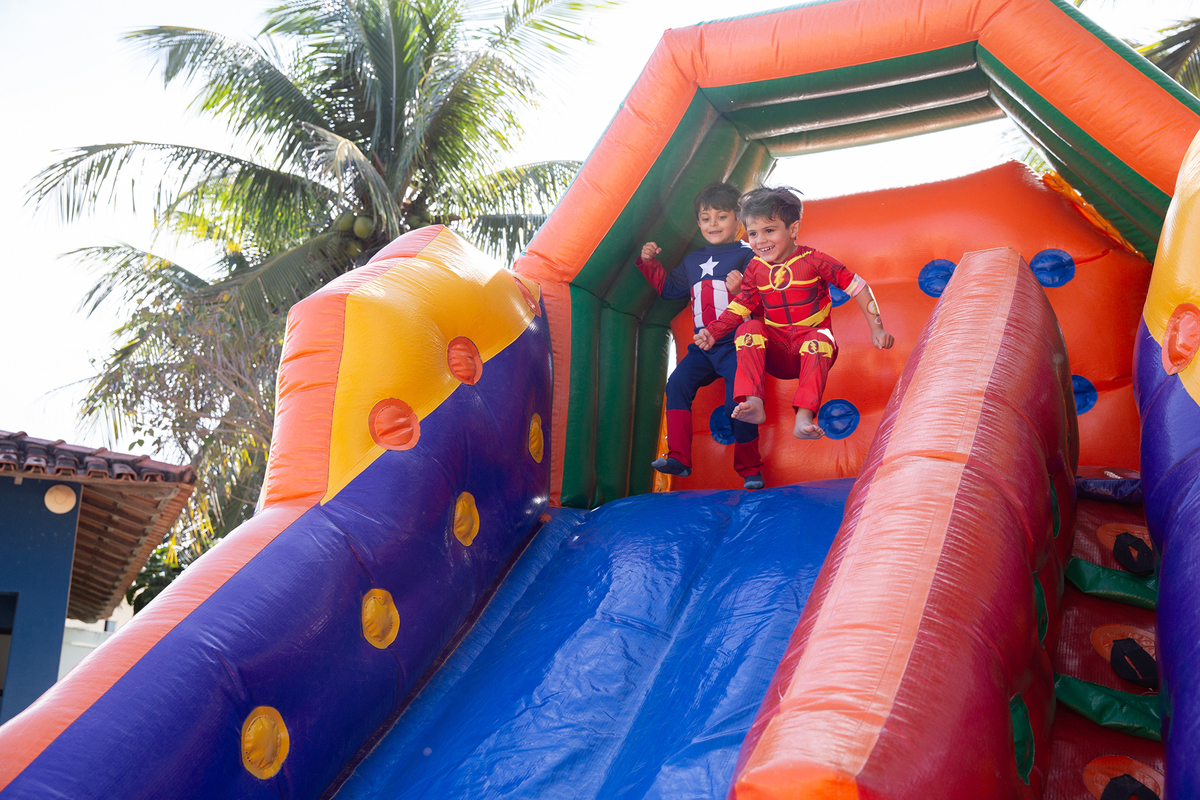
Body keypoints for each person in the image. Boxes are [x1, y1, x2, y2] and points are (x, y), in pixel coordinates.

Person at [695, 186, 894, 440]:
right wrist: (713, 332)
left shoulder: (814, 260)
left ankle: (804, 416)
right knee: (748, 328)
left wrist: (877, 329)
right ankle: (754, 402)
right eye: (753, 233)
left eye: (769, 230)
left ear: (793, 229)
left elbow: (859, 286)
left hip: (810, 349)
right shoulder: (755, 268)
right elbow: (742, 304)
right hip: (777, 352)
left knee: (819, 340)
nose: (761, 240)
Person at [636, 182, 765, 490]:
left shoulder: (747, 256)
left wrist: (741, 290)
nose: (713, 224)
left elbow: (764, 300)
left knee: (741, 401)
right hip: (703, 347)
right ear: (698, 223)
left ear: (738, 220)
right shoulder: (694, 260)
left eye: (721, 217)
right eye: (706, 219)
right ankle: (679, 458)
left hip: (736, 345)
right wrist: (649, 262)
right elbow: (670, 290)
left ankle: (750, 468)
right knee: (677, 384)